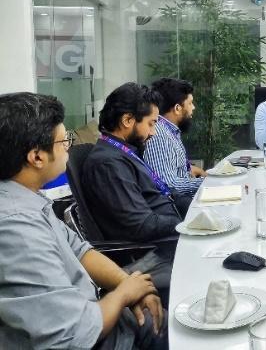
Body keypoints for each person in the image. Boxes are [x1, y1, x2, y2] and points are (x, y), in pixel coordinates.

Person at [0, 92, 167, 349]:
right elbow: (74, 335)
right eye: (63, 140)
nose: (68, 146)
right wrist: (124, 294)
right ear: (37, 157)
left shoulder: (28, 200)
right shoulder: (16, 229)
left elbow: (81, 251)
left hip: (96, 313)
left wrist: (127, 283)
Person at [82, 83, 181, 288]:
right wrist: (187, 224)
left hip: (166, 242)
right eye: (151, 124)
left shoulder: (123, 152)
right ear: (127, 120)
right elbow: (140, 226)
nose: (153, 132)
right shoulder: (108, 164)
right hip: (151, 255)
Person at [144, 78, 205, 201]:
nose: (193, 107)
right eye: (190, 103)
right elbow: (168, 185)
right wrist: (208, 182)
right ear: (177, 108)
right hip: (177, 208)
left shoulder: (169, 130)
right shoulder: (159, 135)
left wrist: (200, 173)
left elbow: (173, 168)